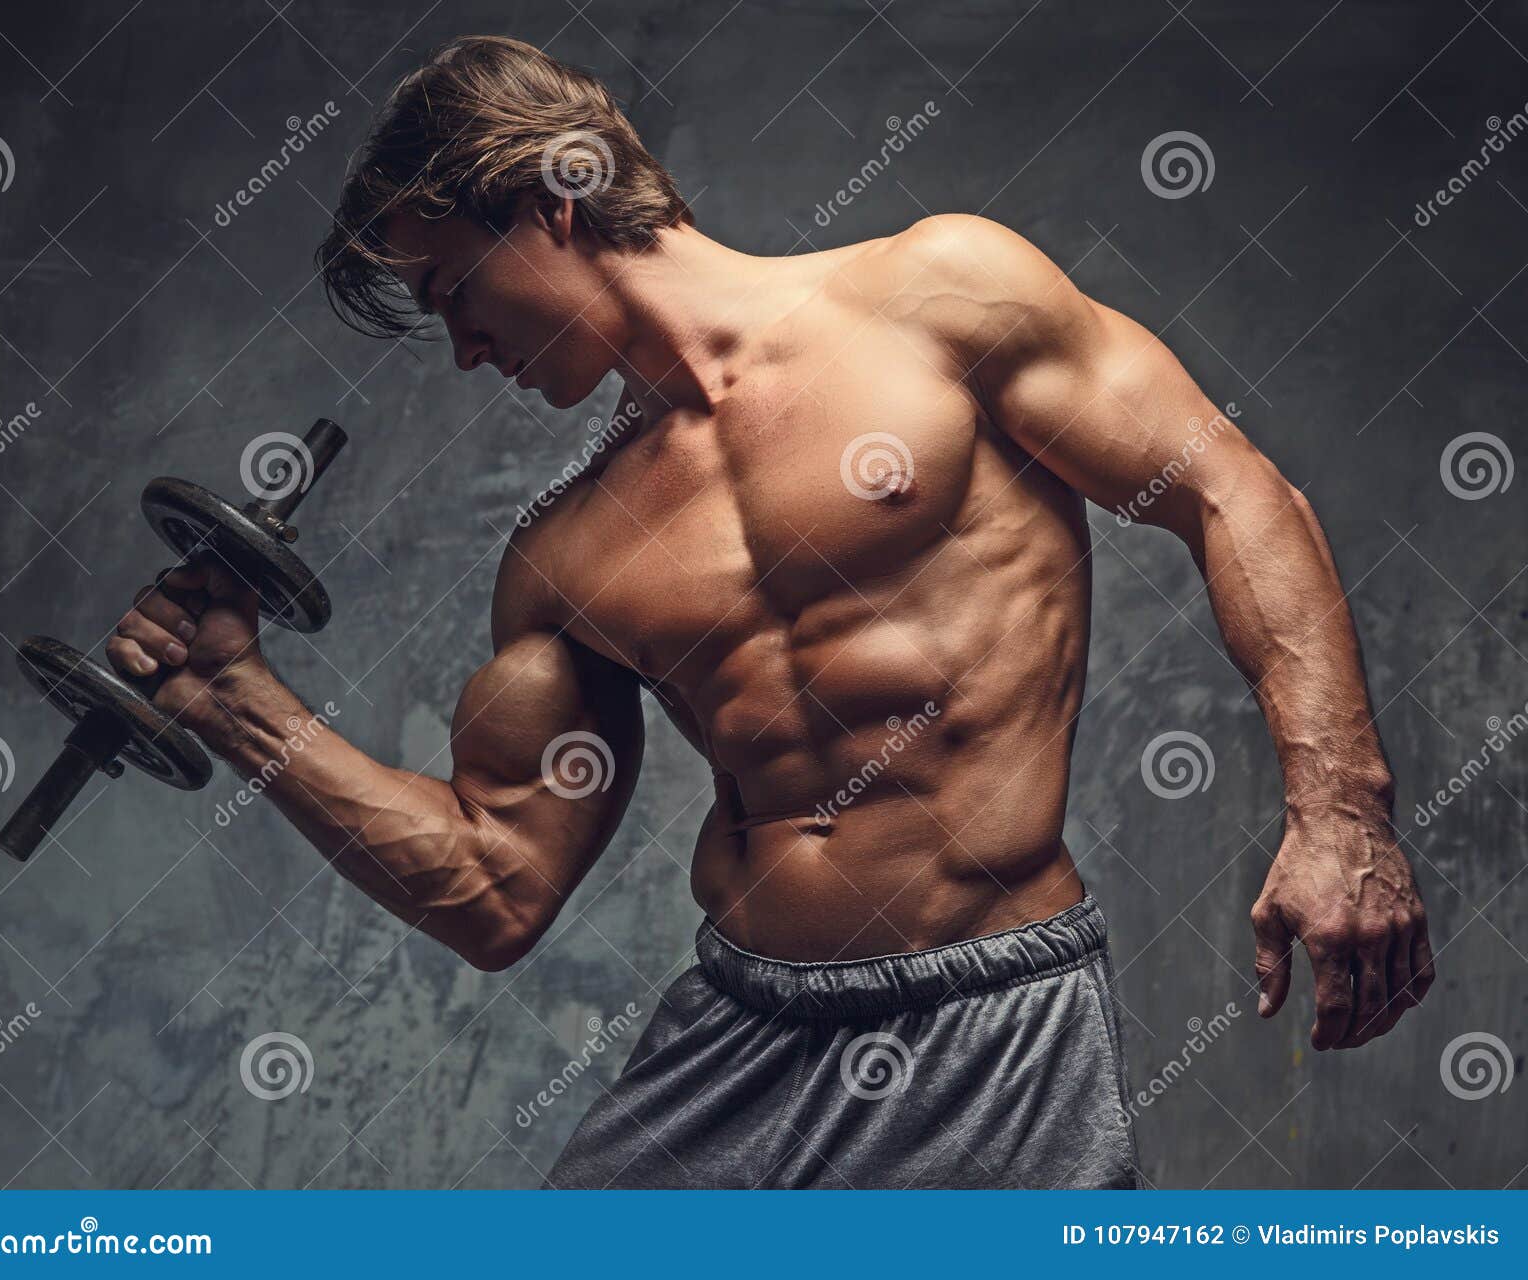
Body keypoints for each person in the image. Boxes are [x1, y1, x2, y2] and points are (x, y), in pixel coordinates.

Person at [105, 35, 1433, 1188]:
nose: (460, 348)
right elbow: (492, 890)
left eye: (451, 288)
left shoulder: (937, 296)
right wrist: (238, 700)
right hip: (737, 1045)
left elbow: (1229, 494)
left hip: (993, 1029)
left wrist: (1341, 813)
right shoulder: (562, 556)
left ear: (550, 204)